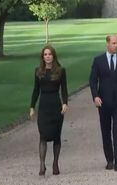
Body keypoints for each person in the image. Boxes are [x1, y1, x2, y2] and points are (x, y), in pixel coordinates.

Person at [89, 34, 117, 171]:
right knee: (106, 131)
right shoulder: (98, 61)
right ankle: (109, 159)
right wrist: (95, 96)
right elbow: (92, 80)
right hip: (103, 102)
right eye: (113, 43)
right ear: (107, 44)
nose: (116, 45)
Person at [30, 45, 68, 176]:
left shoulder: (60, 71)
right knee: (43, 136)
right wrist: (32, 107)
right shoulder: (38, 71)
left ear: (53, 56)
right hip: (44, 106)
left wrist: (65, 103)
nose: (47, 56)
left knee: (56, 136)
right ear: (42, 57)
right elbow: (36, 90)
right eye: (45, 54)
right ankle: (42, 165)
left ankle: (55, 163)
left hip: (55, 105)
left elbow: (64, 89)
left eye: (50, 54)